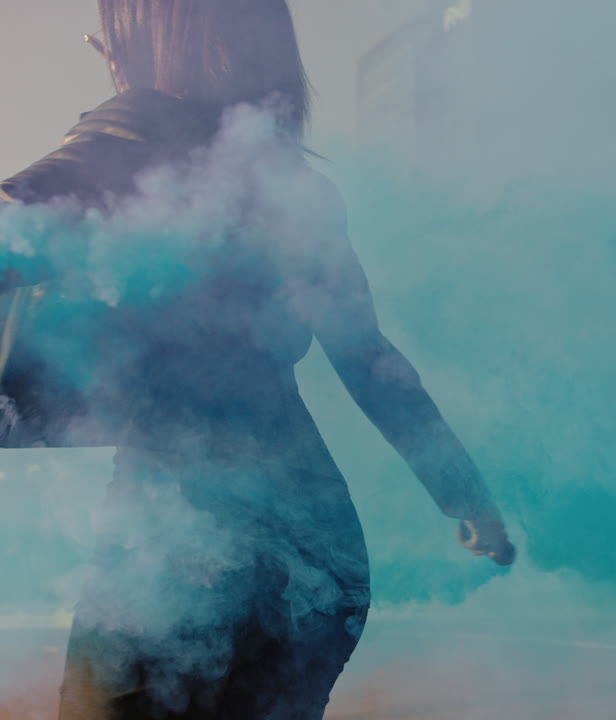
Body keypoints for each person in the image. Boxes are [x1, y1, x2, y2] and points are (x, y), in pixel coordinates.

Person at [0, 1, 516, 718]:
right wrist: (466, 497)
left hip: (185, 562)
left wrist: (123, 103)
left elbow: (10, 223)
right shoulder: (297, 187)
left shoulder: (124, 141)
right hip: (320, 559)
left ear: (146, 38)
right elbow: (372, 365)